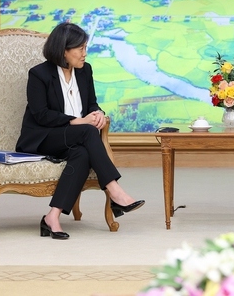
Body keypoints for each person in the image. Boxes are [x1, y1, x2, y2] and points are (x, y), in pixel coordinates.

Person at [16, 22, 144, 240]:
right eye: (80, 49)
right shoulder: (39, 74)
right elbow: (41, 115)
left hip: (73, 140)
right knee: (86, 131)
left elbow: (92, 103)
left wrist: (98, 113)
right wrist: (78, 121)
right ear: (64, 50)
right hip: (43, 138)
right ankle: (115, 191)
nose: (85, 53)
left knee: (82, 154)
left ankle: (52, 217)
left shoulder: (85, 71)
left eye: (86, 48)